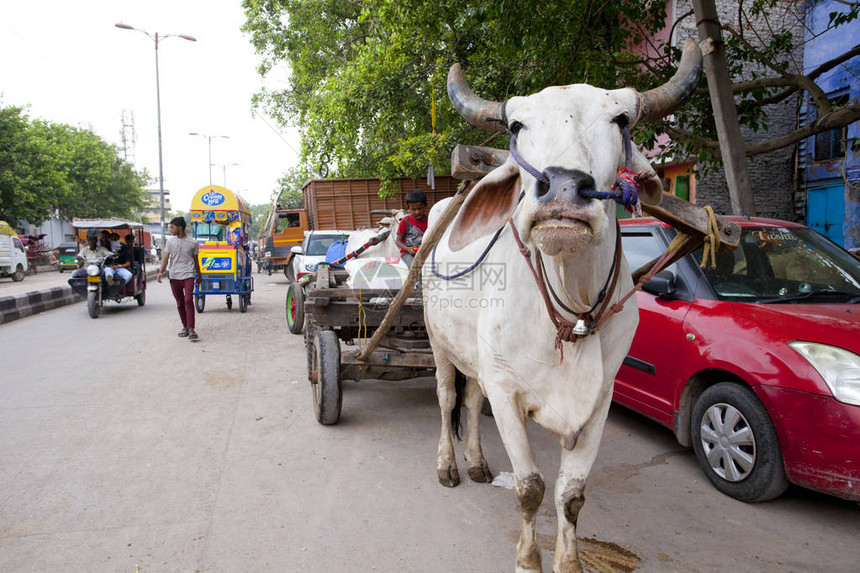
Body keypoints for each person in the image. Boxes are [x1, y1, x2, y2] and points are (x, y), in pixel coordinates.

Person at [158, 217, 202, 340]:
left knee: (188, 299)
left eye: (172, 227)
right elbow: (166, 258)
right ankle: (185, 326)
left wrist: (199, 274)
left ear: (180, 227)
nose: (170, 229)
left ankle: (192, 328)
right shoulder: (170, 242)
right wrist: (160, 272)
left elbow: (196, 260)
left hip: (188, 274)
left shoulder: (193, 243)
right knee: (180, 302)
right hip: (174, 275)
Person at [394, 189, 429, 268]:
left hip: (425, 251)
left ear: (426, 206)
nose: (417, 212)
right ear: (408, 208)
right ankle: (418, 281)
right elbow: (398, 241)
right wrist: (408, 249)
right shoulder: (405, 221)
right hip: (408, 253)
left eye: (420, 208)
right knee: (415, 268)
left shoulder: (430, 221)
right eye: (413, 209)